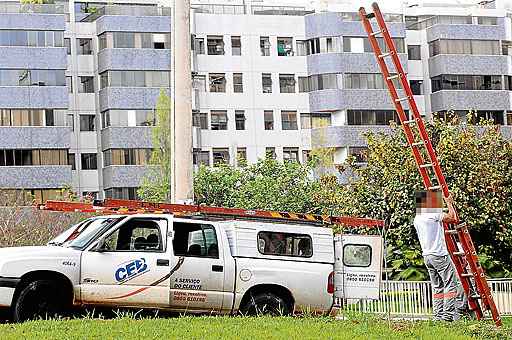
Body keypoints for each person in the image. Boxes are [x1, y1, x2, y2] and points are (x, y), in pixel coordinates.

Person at [414, 190, 464, 322]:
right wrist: (449, 203)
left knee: (437, 287)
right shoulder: (433, 214)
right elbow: (453, 218)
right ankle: (447, 316)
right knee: (451, 284)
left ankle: (438, 316)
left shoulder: (417, 218)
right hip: (439, 255)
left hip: (427, 256)